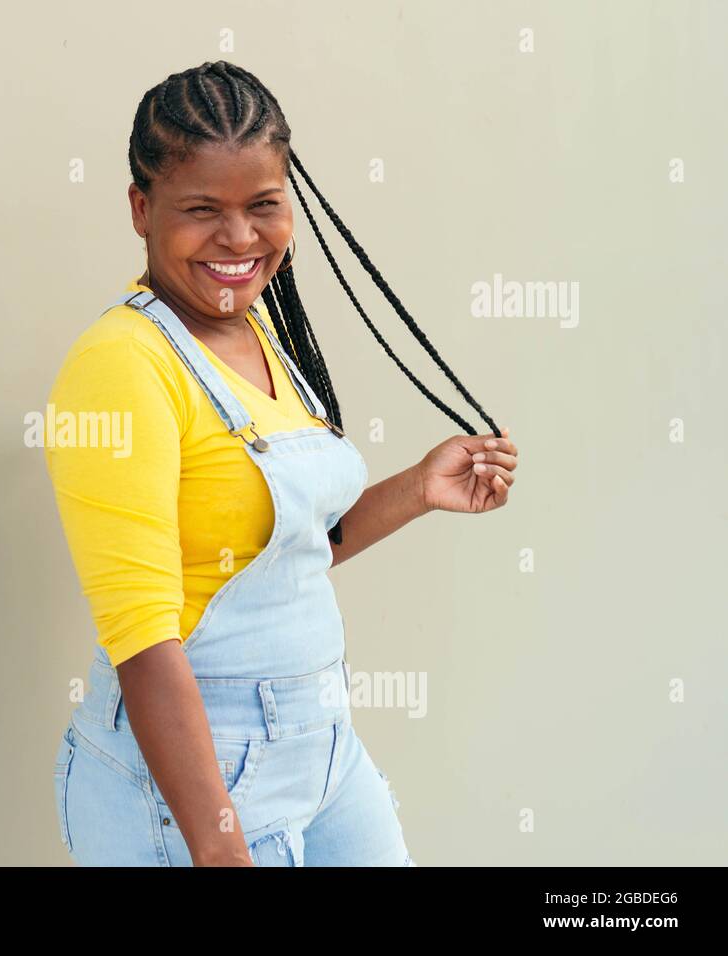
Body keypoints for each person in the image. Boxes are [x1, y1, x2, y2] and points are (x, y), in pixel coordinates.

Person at [45, 61, 518, 866]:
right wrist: (220, 847)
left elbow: (294, 549)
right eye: (203, 210)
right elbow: (144, 643)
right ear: (140, 208)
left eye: (263, 205)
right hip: (196, 777)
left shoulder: (260, 334)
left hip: (325, 751)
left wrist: (417, 489)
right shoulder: (124, 365)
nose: (240, 239)